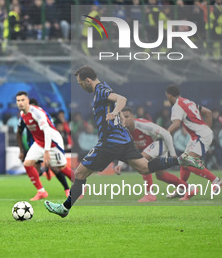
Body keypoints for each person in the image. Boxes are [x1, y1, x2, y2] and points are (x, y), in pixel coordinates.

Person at [45, 66, 202, 217]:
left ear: (87, 80)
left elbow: (122, 99)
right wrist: (117, 114)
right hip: (123, 139)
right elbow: (116, 102)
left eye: (80, 83)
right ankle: (182, 159)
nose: (80, 86)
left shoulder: (100, 90)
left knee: (79, 172)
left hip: (110, 141)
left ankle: (65, 208)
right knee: (145, 168)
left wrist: (114, 113)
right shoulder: (105, 87)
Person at [117, 107, 187, 202]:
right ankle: (188, 188)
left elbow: (166, 134)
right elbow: (125, 148)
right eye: (122, 118)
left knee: (142, 161)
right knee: (160, 175)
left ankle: (150, 194)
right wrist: (119, 165)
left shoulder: (142, 125)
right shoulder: (123, 131)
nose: (124, 120)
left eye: (126, 117)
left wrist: (173, 154)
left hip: (162, 142)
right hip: (153, 148)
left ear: (132, 117)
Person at [166, 84, 222, 200]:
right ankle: (182, 189)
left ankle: (216, 181)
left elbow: (176, 124)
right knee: (184, 162)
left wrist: (165, 134)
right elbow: (208, 112)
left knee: (188, 161)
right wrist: (206, 129)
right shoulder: (188, 102)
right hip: (197, 136)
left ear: (169, 95)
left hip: (200, 136)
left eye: (166, 96)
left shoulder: (177, 106)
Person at [15, 91, 73, 201]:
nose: (20, 103)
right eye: (18, 101)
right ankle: (41, 191)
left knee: (61, 167)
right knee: (27, 164)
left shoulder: (36, 113)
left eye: (23, 100)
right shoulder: (23, 115)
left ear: (27, 101)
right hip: (39, 142)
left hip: (53, 141)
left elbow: (47, 131)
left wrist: (46, 152)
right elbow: (19, 131)